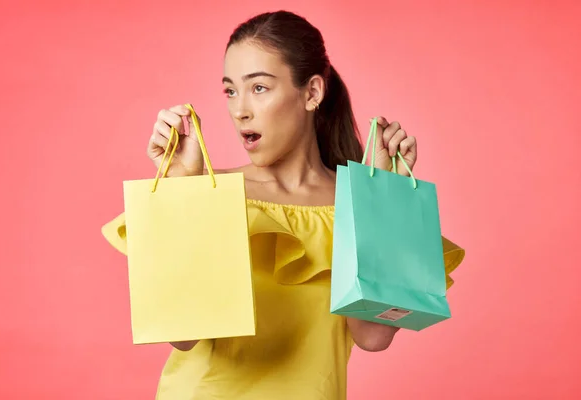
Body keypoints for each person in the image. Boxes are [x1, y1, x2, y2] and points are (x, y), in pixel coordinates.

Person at [101, 9, 465, 400]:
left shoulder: (353, 204)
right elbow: (183, 336)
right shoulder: (212, 193)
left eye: (259, 88)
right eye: (230, 90)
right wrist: (182, 188)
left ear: (311, 92)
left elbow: (374, 336)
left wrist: (381, 197)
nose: (239, 109)